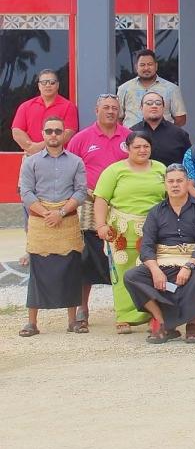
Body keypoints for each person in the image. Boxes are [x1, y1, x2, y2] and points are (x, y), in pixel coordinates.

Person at [123, 164, 195, 344]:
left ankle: (193, 325)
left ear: (188, 183)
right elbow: (147, 247)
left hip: (193, 260)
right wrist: (155, 269)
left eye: (179, 181)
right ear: (165, 184)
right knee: (132, 276)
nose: (175, 185)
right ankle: (164, 323)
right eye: (170, 181)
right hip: (163, 260)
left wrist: (189, 266)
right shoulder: (156, 211)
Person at [66, 94, 131, 330]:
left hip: (122, 205)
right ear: (96, 110)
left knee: (123, 254)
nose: (111, 111)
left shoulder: (129, 137)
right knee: (86, 256)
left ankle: (125, 310)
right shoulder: (81, 138)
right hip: (89, 203)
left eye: (115, 108)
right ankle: (83, 309)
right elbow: (70, 169)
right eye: (106, 107)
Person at [17, 115, 87, 337]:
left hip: (67, 221)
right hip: (40, 221)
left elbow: (81, 191)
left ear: (65, 134)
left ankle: (72, 320)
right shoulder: (31, 161)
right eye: (49, 131)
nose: (54, 135)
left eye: (58, 131)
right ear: (42, 134)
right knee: (38, 272)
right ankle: (32, 323)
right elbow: (26, 192)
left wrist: (62, 212)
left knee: (70, 270)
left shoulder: (76, 161)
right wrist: (46, 212)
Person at [92, 131, 166, 333]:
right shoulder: (114, 171)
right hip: (122, 230)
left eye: (146, 147)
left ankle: (153, 314)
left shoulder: (161, 169)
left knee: (152, 271)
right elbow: (101, 199)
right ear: (128, 148)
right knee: (123, 272)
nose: (142, 150)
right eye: (137, 147)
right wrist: (100, 225)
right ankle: (124, 316)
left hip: (153, 229)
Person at [11, 69, 78, 154]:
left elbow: (68, 133)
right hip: (31, 156)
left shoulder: (68, 106)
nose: (48, 85)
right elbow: (17, 131)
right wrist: (31, 148)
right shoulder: (25, 106)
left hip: (58, 156)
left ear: (58, 85)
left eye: (52, 82)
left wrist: (40, 147)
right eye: (44, 82)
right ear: (39, 85)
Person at [117, 50, 187, 128]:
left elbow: (180, 118)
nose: (146, 68)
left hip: (162, 138)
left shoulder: (171, 89)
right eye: (142, 65)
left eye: (150, 64)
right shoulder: (124, 89)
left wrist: (167, 133)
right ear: (136, 67)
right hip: (132, 137)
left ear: (156, 66)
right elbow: (118, 118)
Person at [130, 91, 191, 166]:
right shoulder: (131, 132)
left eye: (158, 103)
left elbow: (189, 163)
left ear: (163, 107)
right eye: (149, 103)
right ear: (141, 107)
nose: (154, 106)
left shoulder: (180, 134)